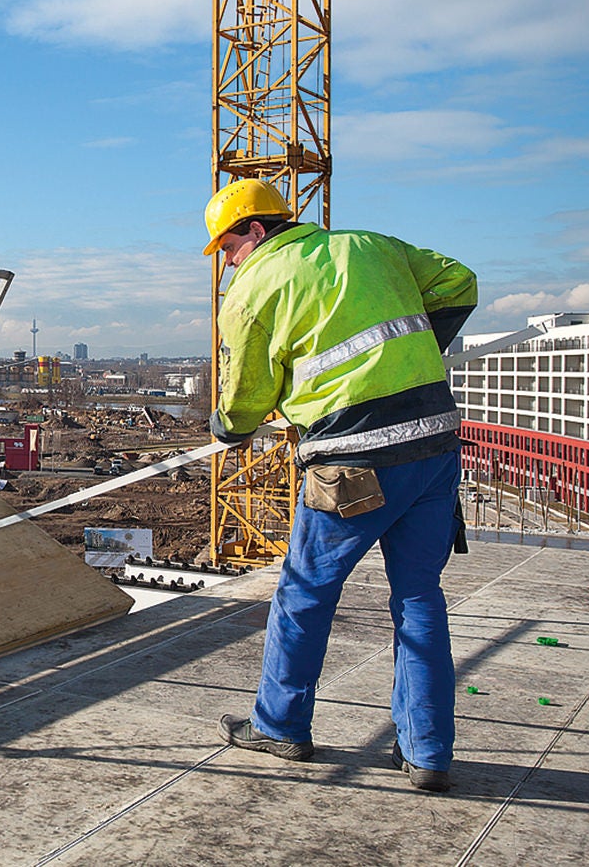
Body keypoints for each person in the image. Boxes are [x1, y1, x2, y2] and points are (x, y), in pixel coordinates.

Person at [202, 178, 476, 793]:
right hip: (433, 448)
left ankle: (280, 726)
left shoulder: (251, 290)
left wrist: (229, 427)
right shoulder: (371, 245)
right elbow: (460, 280)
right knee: (418, 597)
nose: (226, 261)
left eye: (226, 246)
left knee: (306, 593)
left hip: (351, 462)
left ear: (253, 232)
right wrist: (421, 350)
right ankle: (428, 752)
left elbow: (245, 398)